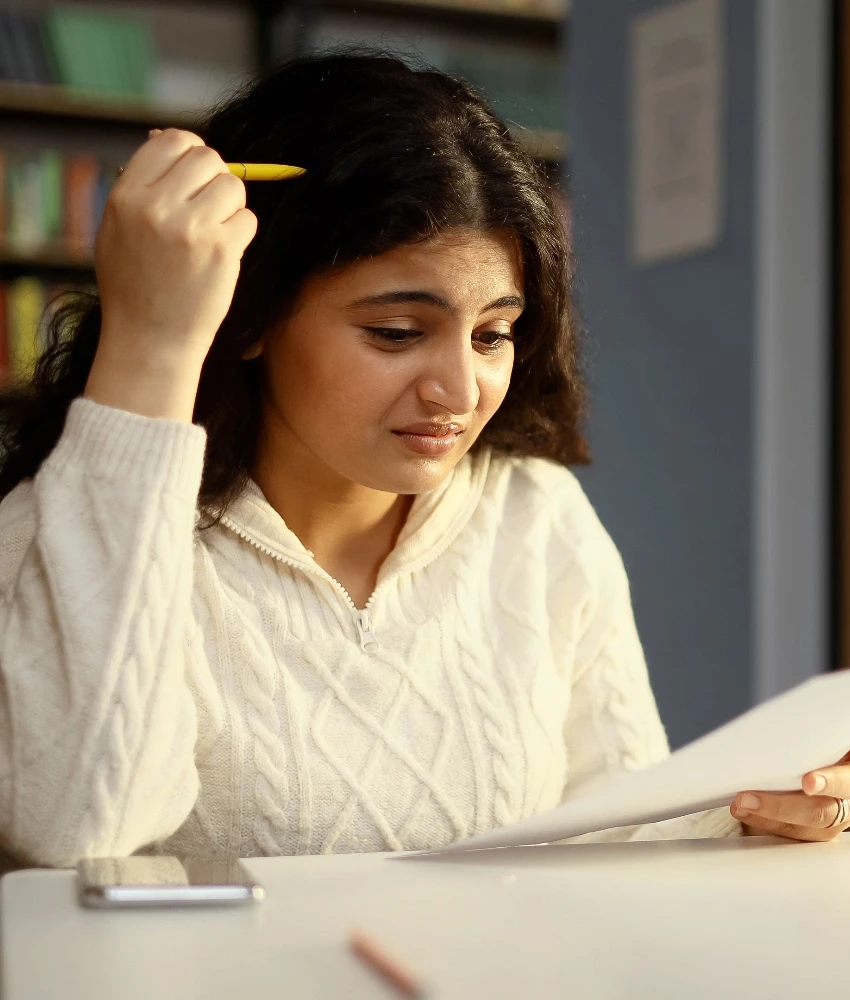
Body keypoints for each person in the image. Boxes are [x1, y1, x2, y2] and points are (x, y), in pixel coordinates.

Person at [0, 49, 845, 872]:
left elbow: (616, 844)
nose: (459, 390)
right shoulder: (79, 524)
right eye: (397, 334)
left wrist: (756, 826)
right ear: (249, 316)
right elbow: (75, 832)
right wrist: (151, 345)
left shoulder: (535, 516)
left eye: (493, 335)